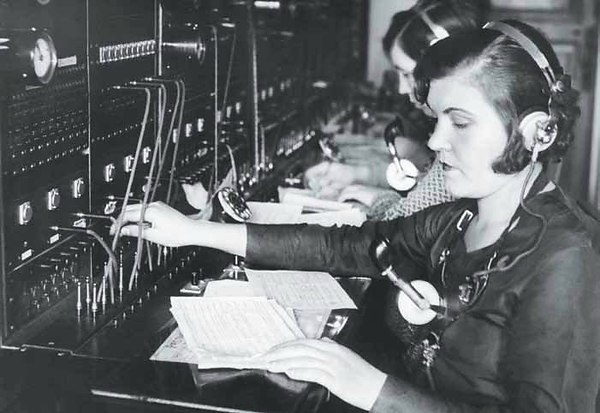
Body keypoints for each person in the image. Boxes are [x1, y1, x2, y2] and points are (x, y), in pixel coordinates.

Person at [115, 20, 600, 412]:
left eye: (460, 122)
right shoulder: (457, 220)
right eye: (436, 119)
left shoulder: (567, 257)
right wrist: (196, 231)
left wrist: (371, 388)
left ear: (536, 132)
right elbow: (347, 246)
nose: (436, 140)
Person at [306, 0, 490, 218]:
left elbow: (411, 219)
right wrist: (360, 177)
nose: (402, 89)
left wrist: (376, 198)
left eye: (407, 74)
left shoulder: (465, 141)